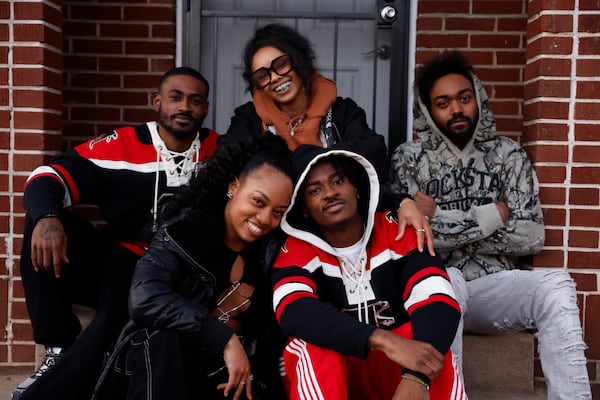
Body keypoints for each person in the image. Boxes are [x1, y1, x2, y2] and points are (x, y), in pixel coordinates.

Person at [389, 51, 592, 399]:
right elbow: (415, 237)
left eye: (464, 98)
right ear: (427, 110)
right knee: (447, 281)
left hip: (495, 290)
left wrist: (439, 218)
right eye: (444, 102)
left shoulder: (507, 155)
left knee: (557, 284)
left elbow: (531, 234)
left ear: (477, 98)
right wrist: (495, 215)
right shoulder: (409, 159)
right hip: (438, 288)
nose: (457, 109)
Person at [15, 67, 220, 400]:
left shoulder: (220, 150)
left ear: (206, 108)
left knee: (113, 316)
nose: (185, 107)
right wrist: (48, 216)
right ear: (157, 101)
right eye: (176, 97)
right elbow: (48, 175)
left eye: (195, 101)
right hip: (126, 256)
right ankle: (57, 348)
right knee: (42, 223)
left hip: (183, 271)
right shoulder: (124, 144)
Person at [92, 134, 293, 400]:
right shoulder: (183, 232)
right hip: (165, 368)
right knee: (164, 339)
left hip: (227, 376)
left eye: (278, 212)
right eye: (258, 201)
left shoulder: (271, 252)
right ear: (234, 186)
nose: (266, 218)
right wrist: (223, 338)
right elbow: (145, 298)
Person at [221, 23, 435, 255]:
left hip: (339, 234)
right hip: (273, 238)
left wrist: (401, 201)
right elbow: (226, 165)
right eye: (262, 75)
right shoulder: (249, 118)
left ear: (299, 60)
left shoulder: (342, 112)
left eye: (281, 64)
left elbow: (374, 160)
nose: (274, 78)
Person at [271, 145, 465, 400]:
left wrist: (416, 377)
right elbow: (293, 311)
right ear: (304, 207)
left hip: (396, 374)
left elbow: (439, 301)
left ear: (356, 187)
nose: (330, 193)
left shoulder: (397, 229)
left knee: (430, 345)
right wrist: (382, 340)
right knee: (310, 345)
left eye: (337, 181)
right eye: (315, 190)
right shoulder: (297, 247)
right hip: (338, 376)